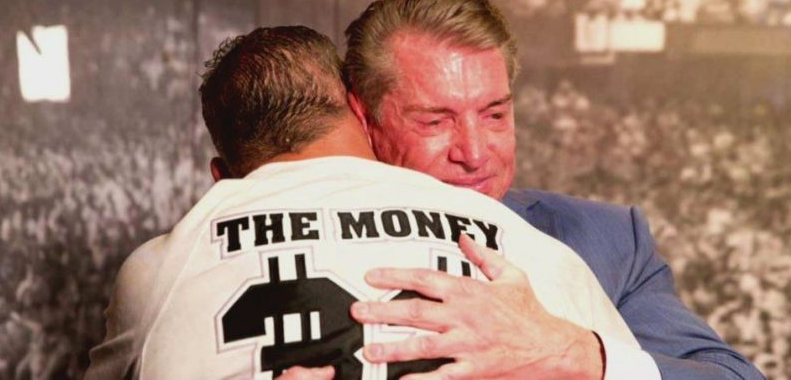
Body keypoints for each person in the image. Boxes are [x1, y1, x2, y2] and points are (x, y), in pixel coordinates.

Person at [85, 26, 639, 379]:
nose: (470, 152)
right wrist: (577, 356)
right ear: (360, 113)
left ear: (220, 176)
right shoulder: (505, 235)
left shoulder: (162, 264)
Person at [342, 0, 763, 380]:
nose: (473, 153)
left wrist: (571, 355)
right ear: (364, 118)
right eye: (436, 121)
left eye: (494, 115)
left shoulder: (608, 243)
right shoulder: (299, 237)